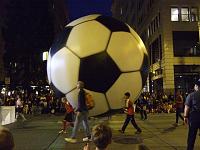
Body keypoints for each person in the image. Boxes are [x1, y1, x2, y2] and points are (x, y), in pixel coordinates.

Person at [184, 79, 200, 150]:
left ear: (197, 86)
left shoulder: (191, 95)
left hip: (194, 118)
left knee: (192, 136)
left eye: (195, 85)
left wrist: (185, 117)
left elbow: (187, 107)